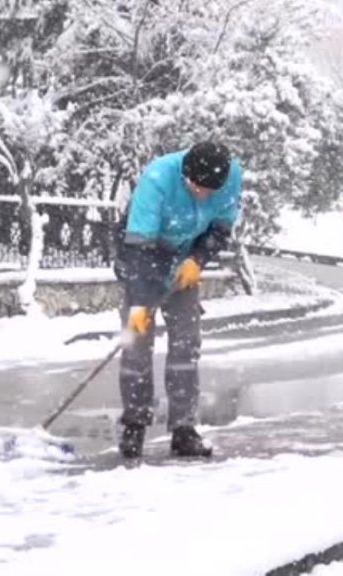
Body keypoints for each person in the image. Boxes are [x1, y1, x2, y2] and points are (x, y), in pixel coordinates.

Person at [114, 141, 241, 458]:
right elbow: (137, 246)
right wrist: (141, 303)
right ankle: (134, 424)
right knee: (137, 342)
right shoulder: (157, 178)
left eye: (208, 189)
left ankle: (184, 429)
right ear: (184, 175)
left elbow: (221, 229)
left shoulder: (229, 178)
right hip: (142, 253)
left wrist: (197, 259)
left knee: (186, 342)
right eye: (195, 186)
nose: (201, 193)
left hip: (184, 259)